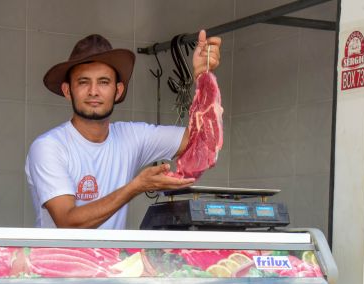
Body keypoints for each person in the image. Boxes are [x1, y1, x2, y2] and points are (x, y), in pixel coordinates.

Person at [26, 30, 222, 229]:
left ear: (118, 91)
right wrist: (135, 187)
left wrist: (202, 76)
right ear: (68, 91)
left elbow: (200, 141)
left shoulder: (131, 137)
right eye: (83, 82)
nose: (93, 91)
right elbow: (68, 222)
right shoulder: (48, 147)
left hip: (112, 260)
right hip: (59, 260)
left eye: (104, 82)